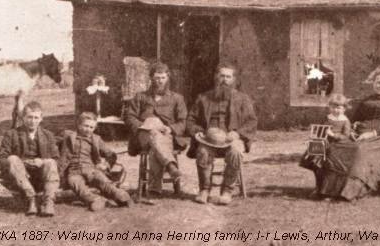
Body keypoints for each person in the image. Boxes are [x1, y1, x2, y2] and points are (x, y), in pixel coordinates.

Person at [318, 67, 380, 200]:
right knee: (336, 147)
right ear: (373, 83)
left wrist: (372, 133)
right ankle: (329, 190)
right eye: (378, 82)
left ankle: (349, 192)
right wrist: (351, 130)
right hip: (360, 134)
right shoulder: (366, 101)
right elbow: (353, 120)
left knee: (359, 149)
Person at [186, 63, 257, 205]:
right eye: (221, 76)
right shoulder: (203, 98)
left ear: (233, 79)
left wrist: (237, 134)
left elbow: (251, 121)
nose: (224, 79)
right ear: (216, 77)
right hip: (208, 139)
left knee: (236, 152)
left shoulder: (243, 99)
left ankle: (227, 191)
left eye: (228, 76)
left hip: (231, 138)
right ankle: (204, 189)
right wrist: (199, 132)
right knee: (203, 152)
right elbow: (190, 120)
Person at [125, 62, 187, 195]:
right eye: (157, 78)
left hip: (166, 136)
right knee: (152, 131)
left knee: (155, 145)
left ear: (168, 78)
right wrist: (142, 126)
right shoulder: (140, 96)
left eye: (163, 78)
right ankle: (171, 166)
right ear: (151, 78)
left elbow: (183, 121)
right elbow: (129, 117)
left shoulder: (177, 98)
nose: (160, 81)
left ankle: (154, 189)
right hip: (143, 136)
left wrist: (170, 129)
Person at [0, 101, 60, 216]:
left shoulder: (48, 135)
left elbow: (57, 160)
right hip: (20, 176)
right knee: (13, 159)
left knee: (50, 162)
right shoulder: (11, 134)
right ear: (23, 118)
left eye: (36, 118)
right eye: (29, 117)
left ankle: (48, 202)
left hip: (41, 175)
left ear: (41, 119)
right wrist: (19, 163)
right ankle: (31, 200)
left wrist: (42, 162)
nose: (32, 121)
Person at [59, 112, 132, 211]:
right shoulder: (67, 135)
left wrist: (106, 165)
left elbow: (111, 155)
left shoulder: (96, 139)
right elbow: (49, 143)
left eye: (91, 127)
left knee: (103, 181)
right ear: (79, 124)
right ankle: (94, 199)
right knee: (76, 184)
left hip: (91, 169)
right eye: (85, 126)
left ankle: (121, 196)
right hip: (73, 171)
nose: (88, 129)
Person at [300, 93, 352, 196]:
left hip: (337, 146)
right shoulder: (327, 118)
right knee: (316, 165)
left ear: (344, 109)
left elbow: (346, 136)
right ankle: (318, 187)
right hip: (323, 143)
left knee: (330, 167)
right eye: (333, 107)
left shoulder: (345, 121)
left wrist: (333, 134)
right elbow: (319, 129)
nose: (335, 110)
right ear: (329, 107)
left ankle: (328, 191)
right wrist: (315, 134)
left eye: (339, 108)